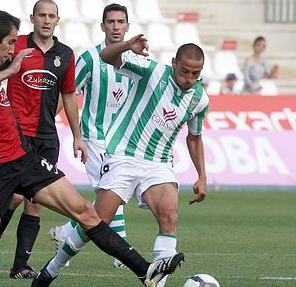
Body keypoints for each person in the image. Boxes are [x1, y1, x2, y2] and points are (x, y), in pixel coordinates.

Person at [0, 10, 183, 287]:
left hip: (25, 158)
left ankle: (145, 271)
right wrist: (8, 70)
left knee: (85, 211)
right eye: (10, 42)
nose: (13, 49)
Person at [33, 37, 207, 287]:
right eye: (184, 71)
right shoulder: (152, 71)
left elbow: (194, 137)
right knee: (96, 221)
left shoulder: (199, 99)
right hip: (123, 156)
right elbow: (106, 57)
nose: (189, 78)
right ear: (173, 64)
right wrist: (127, 47)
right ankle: (52, 269)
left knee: (169, 215)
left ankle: (157, 283)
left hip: (158, 163)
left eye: (195, 73)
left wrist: (202, 175)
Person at [0, 0, 87, 279]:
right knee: (13, 197)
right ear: (33, 18)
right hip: (17, 135)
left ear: (57, 20)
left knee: (35, 202)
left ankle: (20, 265)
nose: (46, 20)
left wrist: (77, 136)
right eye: (42, 15)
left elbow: (69, 95)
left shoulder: (65, 54)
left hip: (47, 137)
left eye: (51, 16)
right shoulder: (18, 46)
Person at [48, 3, 133, 269]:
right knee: (112, 192)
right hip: (94, 138)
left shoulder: (135, 60)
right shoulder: (89, 59)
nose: (116, 27)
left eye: (121, 22)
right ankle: (121, 249)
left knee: (110, 196)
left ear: (127, 26)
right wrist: (47, 120)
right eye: (111, 22)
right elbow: (69, 92)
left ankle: (66, 232)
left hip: (122, 143)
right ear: (103, 26)